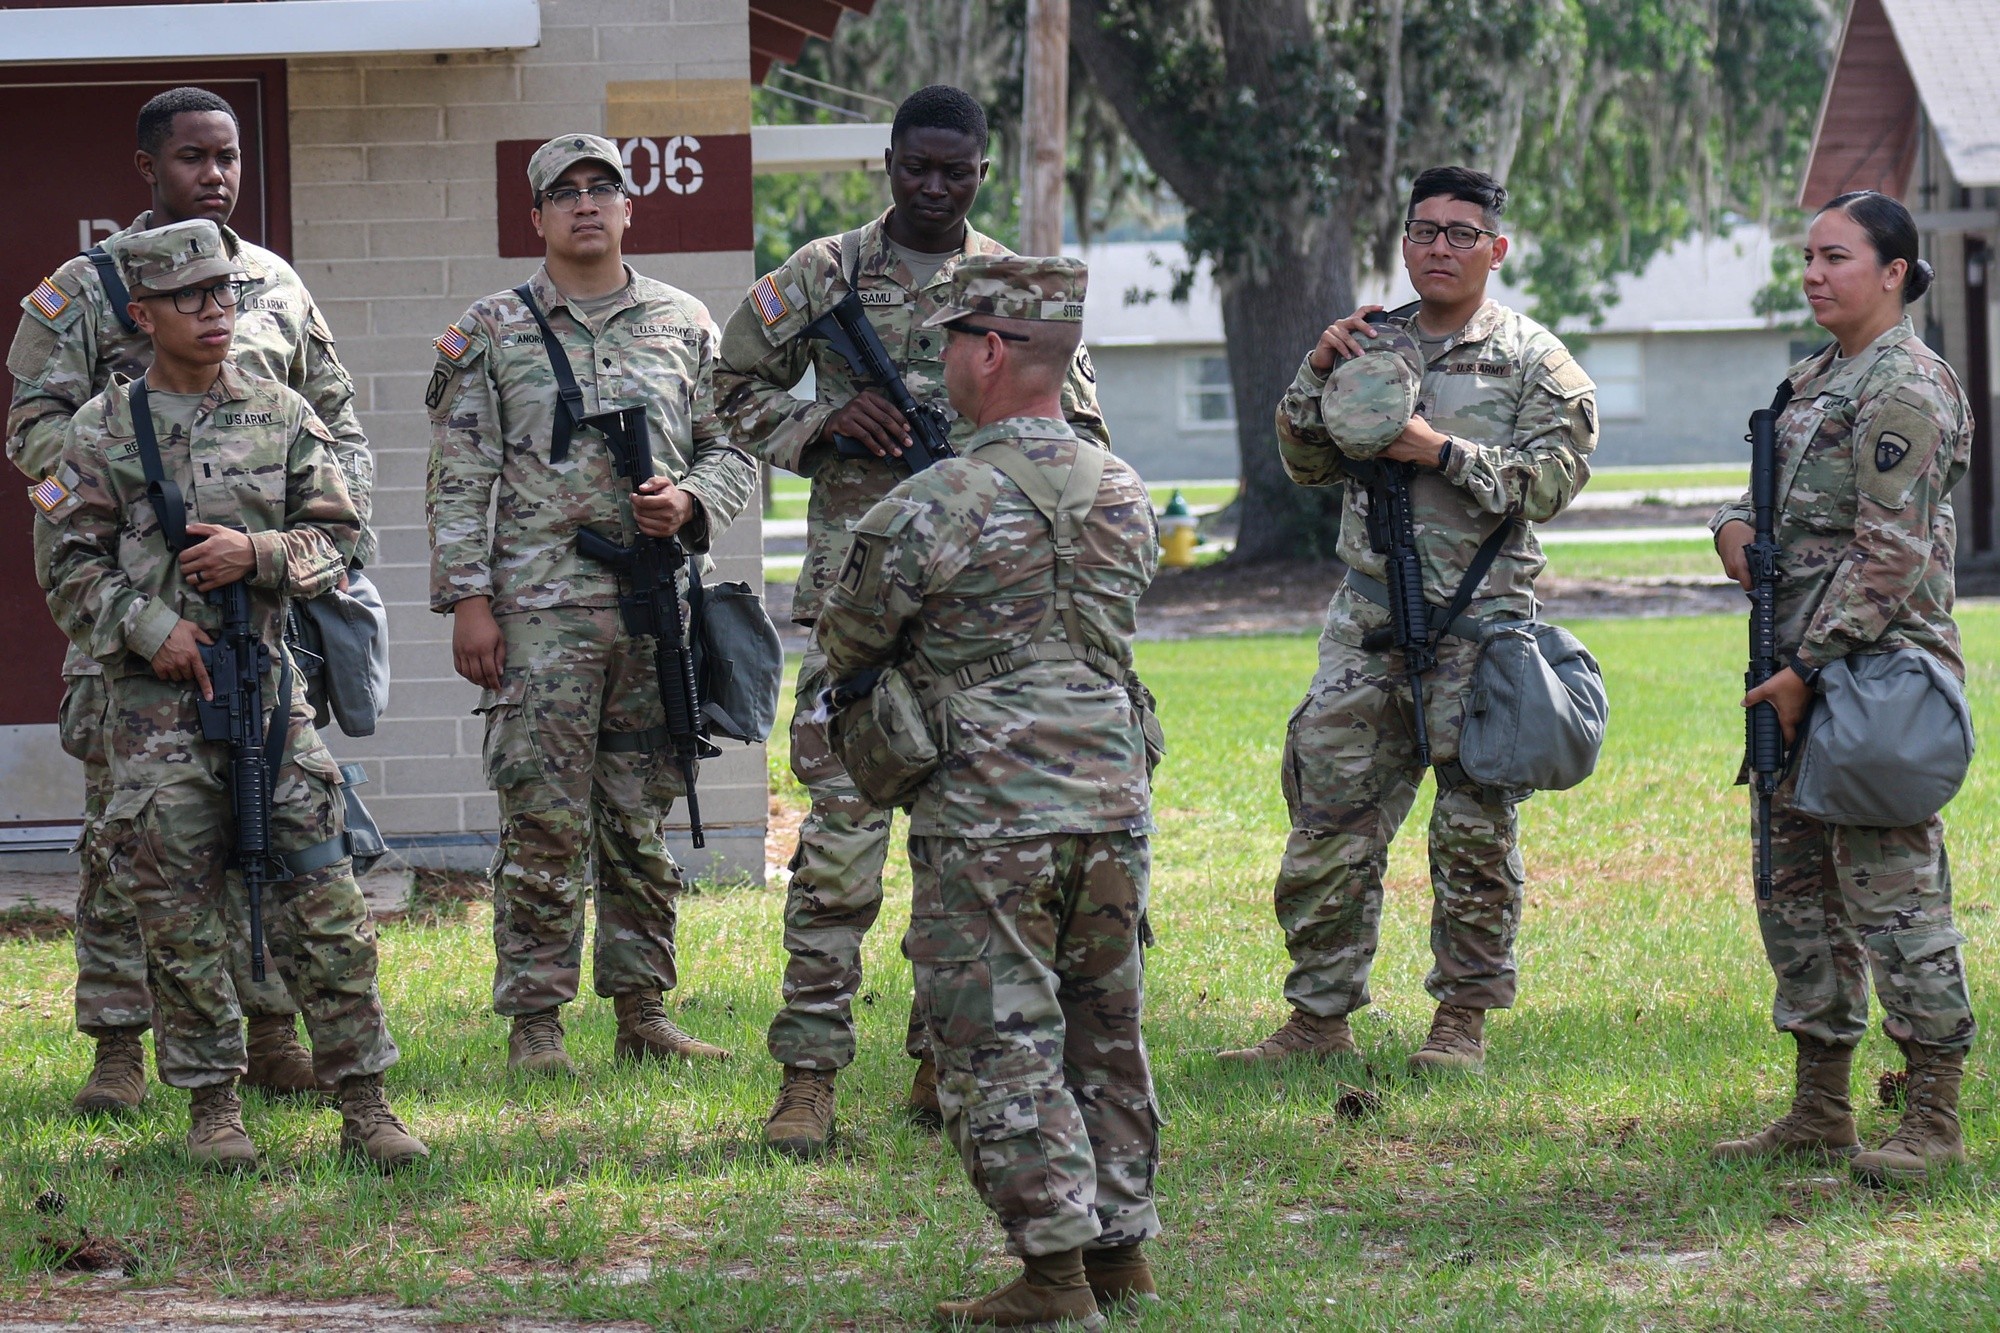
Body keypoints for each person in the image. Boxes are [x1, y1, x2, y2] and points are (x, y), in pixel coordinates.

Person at [715, 84, 1110, 1158]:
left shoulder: (1008, 283)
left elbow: (1081, 430)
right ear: (887, 162)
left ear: (980, 170)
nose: (932, 188)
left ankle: (942, 1060)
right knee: (838, 850)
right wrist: (823, 422)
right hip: (862, 607)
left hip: (985, 624)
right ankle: (806, 1077)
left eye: (955, 171)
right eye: (914, 168)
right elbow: (724, 391)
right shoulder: (825, 274)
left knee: (969, 853)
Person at [6, 85, 376, 1115]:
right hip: (132, 613)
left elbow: (337, 429)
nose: (213, 174)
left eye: (227, 156)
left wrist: (287, 540)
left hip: (249, 604)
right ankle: (119, 1045)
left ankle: (268, 1029)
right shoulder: (88, 288)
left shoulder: (273, 285)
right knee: (133, 836)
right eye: (191, 158)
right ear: (147, 169)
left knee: (259, 813)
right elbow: (32, 433)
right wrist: (131, 506)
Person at [814, 255, 1162, 1329]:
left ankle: (1054, 1277)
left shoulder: (937, 500)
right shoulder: (1124, 489)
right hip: (1109, 792)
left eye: (955, 342)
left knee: (995, 1033)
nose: (946, 363)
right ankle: (1119, 1254)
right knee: (1102, 1019)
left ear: (993, 350)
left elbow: (850, 632)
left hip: (989, 806)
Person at [37, 219, 424, 1171]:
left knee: (325, 894)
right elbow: (63, 563)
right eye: (189, 299)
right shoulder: (98, 429)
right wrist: (149, 627)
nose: (215, 312)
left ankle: (366, 1102)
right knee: (174, 911)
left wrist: (261, 555)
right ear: (143, 315)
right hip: (152, 710)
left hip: (266, 690)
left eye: (225, 295)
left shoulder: (284, 414)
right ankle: (214, 1106)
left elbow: (341, 536)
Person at [1219, 165, 1597, 1074]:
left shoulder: (1534, 361)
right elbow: (1303, 462)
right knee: (1327, 824)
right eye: (1423, 230)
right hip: (1367, 624)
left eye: (1461, 233)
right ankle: (1318, 1017)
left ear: (1496, 250)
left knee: (1473, 833)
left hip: (1483, 629)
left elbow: (1552, 483)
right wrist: (1314, 373)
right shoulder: (1366, 345)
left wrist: (1442, 450)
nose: (1439, 246)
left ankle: (1459, 1019)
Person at [426, 133, 757, 1075]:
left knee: (640, 816)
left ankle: (643, 1009)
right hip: (537, 615)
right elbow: (458, 477)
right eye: (562, 192)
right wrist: (468, 601)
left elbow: (732, 447)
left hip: (656, 612)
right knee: (542, 818)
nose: (584, 204)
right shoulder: (493, 329)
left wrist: (692, 501)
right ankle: (536, 1022)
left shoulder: (686, 322)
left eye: (601, 188)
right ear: (535, 217)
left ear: (627, 208)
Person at [1710, 190, 1977, 1184]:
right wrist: (1728, 532)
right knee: (1794, 899)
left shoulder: (1902, 386)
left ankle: (1930, 1120)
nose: (1814, 273)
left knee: (1894, 900)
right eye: (1808, 257)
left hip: (1867, 685)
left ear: (1893, 271)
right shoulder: (1811, 379)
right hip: (1787, 678)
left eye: (1835, 257)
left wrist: (1805, 671)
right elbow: (1760, 509)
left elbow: (1889, 555)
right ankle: (1818, 1109)